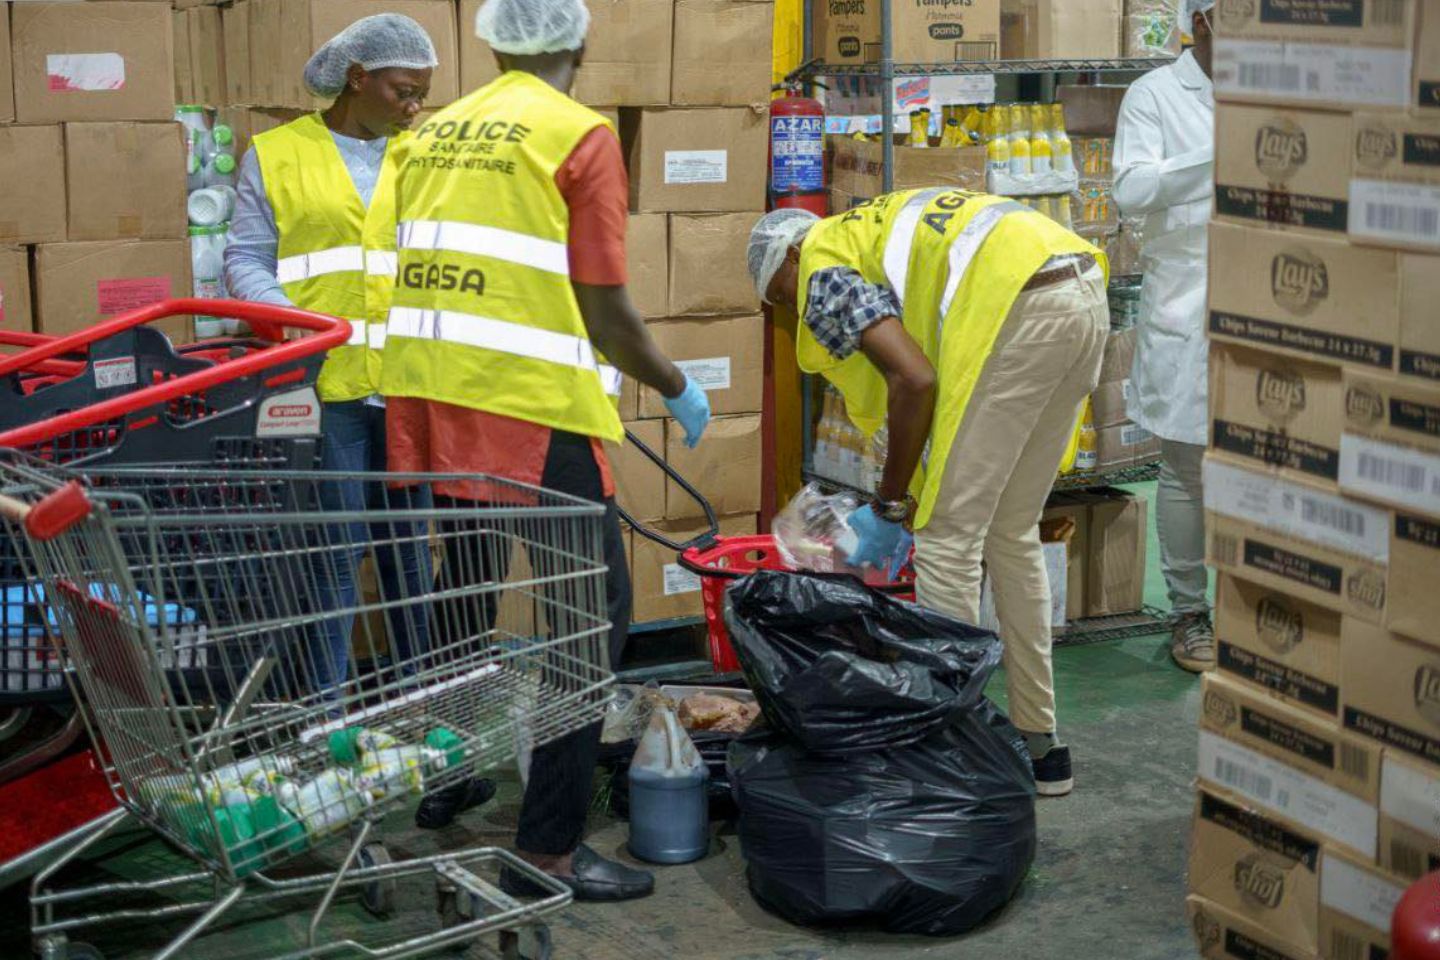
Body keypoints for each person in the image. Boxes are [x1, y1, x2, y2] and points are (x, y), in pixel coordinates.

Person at [378, 0, 712, 901]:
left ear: (489, 42)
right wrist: (674, 382)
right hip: (528, 413)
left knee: (465, 591)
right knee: (584, 625)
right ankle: (549, 849)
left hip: (433, 401)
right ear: (580, 40)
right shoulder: (578, 134)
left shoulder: (432, 131)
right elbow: (605, 311)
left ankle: (446, 778)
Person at [749, 190, 1110, 798]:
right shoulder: (866, 230)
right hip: (1080, 291)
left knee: (947, 540)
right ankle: (1041, 745)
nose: (796, 313)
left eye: (781, 299)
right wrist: (904, 490)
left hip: (1020, 308)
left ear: (787, 261)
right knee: (1010, 531)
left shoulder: (821, 266)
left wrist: (892, 506)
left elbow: (914, 380)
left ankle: (948, 744)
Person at [225, 16, 489, 829]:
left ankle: (421, 728)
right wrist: (296, 323)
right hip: (327, 388)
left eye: (424, 95)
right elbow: (243, 259)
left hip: (411, 388)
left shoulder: (433, 152)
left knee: (413, 563)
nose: (417, 108)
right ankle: (326, 734)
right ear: (356, 78)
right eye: (403, 92)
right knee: (333, 565)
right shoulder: (275, 155)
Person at [1113, 0, 1216, 674]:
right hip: (1191, 293)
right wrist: (1217, 154)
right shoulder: (1154, 94)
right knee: (1185, 466)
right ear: (1203, 21)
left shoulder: (1279, 91)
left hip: (1270, 296)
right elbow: (1130, 191)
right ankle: (1188, 612)